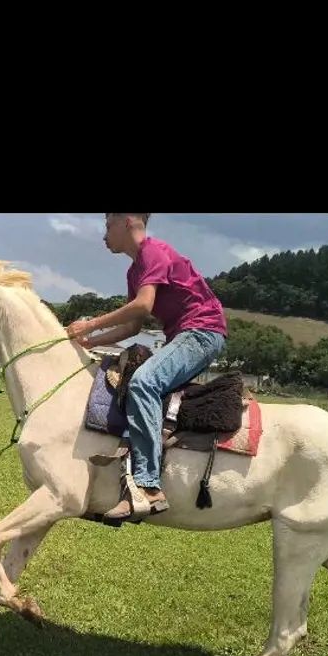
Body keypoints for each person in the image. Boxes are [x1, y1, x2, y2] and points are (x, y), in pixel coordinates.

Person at [67, 213, 227, 520]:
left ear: (127, 221)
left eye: (107, 225)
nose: (104, 235)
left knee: (143, 383)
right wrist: (90, 341)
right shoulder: (134, 271)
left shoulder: (154, 251)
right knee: (137, 383)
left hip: (201, 332)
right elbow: (131, 327)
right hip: (184, 335)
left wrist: (90, 324)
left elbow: (143, 305)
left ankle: (148, 488)